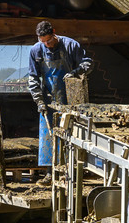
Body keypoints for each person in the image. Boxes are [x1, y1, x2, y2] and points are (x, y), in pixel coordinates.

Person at [25, 20, 92, 165]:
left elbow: (88, 63)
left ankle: (72, 169)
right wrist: (39, 102)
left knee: (71, 135)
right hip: (48, 101)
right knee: (49, 138)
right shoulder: (36, 50)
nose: (46, 45)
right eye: (43, 42)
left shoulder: (70, 45)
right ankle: (50, 172)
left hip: (71, 100)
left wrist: (76, 72)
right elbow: (33, 78)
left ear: (54, 32)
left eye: (48, 41)